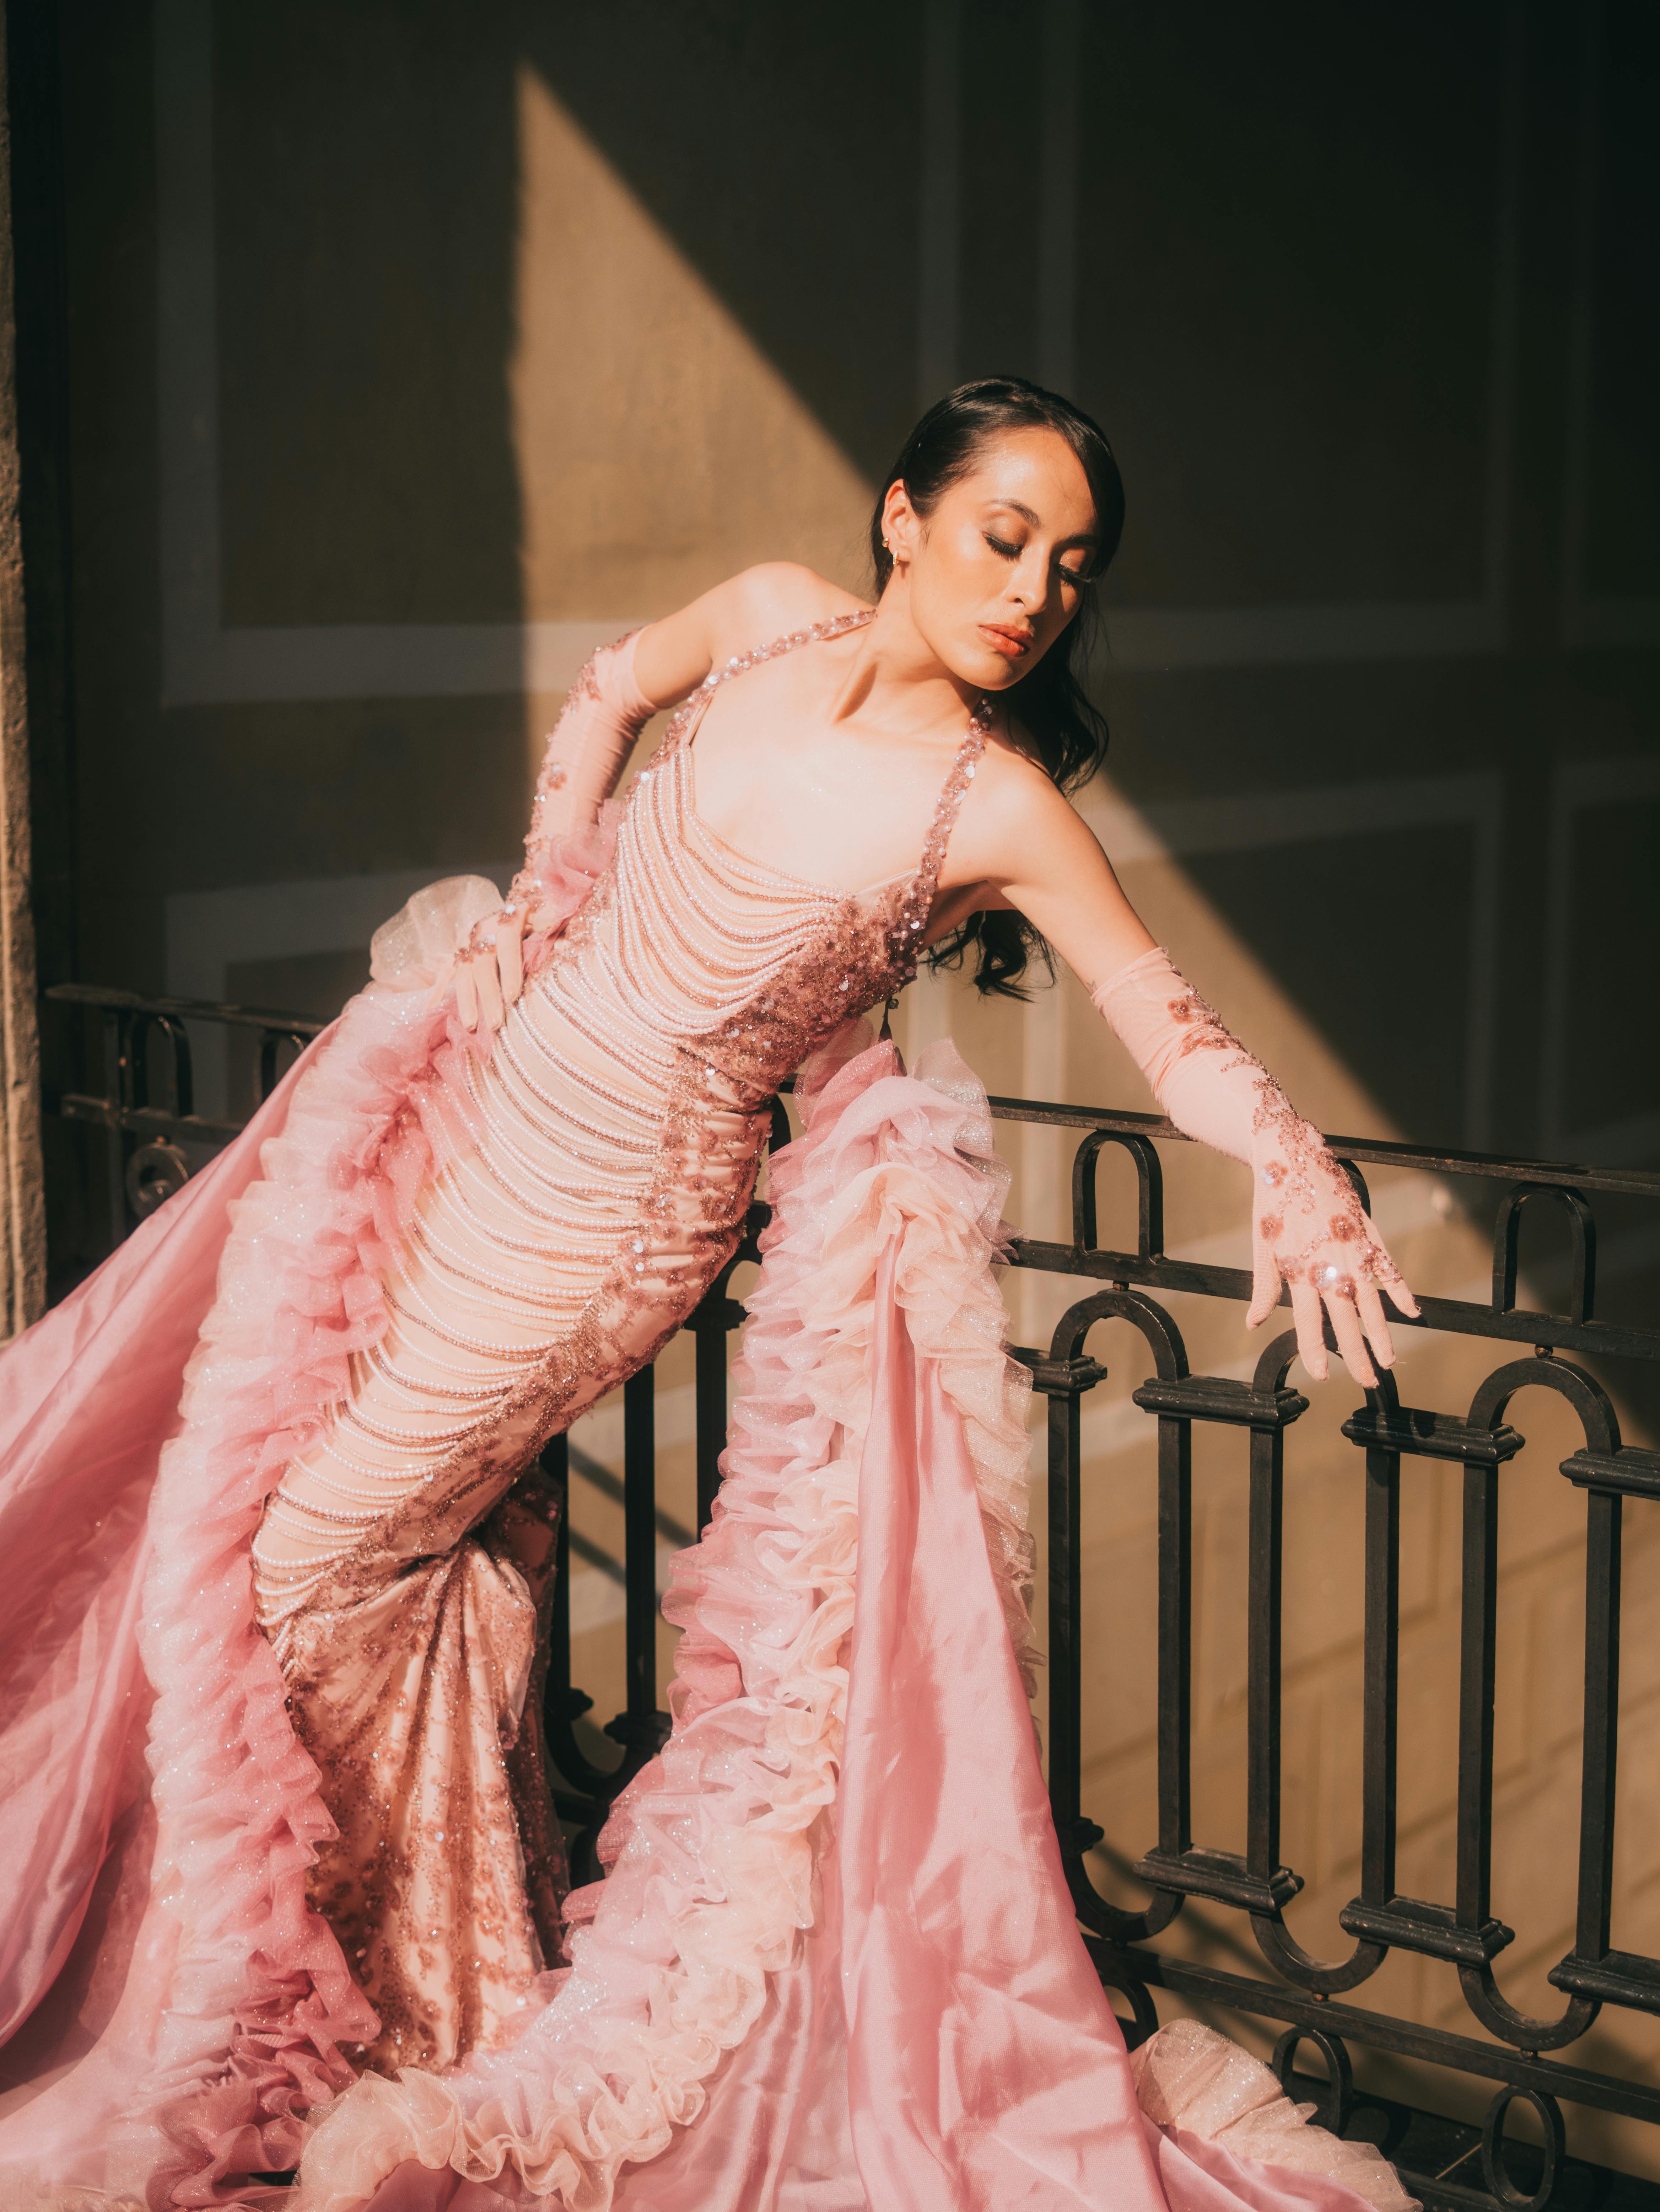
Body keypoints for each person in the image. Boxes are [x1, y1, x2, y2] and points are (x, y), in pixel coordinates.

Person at [0, 379, 1418, 2211]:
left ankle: (261, 2005)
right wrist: (545, 874)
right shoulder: (765, 611)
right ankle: (413, 1978)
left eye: (1072, 571)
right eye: (1007, 540)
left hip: (609, 1223)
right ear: (903, 517)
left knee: (307, 1560)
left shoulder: (990, 803)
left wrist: (1300, 1173)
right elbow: (611, 686)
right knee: (344, 1531)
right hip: (480, 1106)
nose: (1037, 594)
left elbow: (1171, 1024)